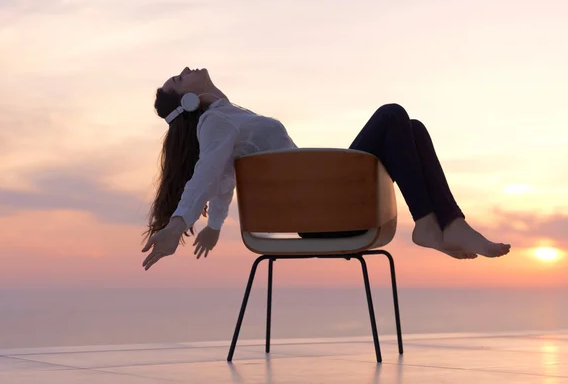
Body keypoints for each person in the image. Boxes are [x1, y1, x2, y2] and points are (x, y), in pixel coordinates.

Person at [141, 67, 510, 271]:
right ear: (187, 100)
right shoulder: (216, 123)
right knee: (392, 115)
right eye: (179, 78)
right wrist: (178, 224)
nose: (186, 70)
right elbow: (207, 171)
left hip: (324, 208)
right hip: (323, 214)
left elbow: (222, 177)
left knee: (411, 128)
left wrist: (215, 226)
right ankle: (430, 224)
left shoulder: (227, 118)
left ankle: (448, 224)